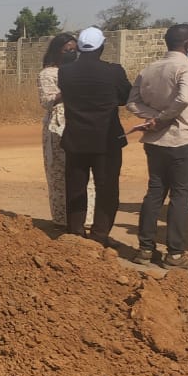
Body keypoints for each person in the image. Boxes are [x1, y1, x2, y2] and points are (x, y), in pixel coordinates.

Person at [127, 24, 188, 269]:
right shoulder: (187, 66)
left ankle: (145, 249)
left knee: (154, 193)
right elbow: (183, 98)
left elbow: (132, 102)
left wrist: (153, 118)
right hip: (183, 140)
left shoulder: (150, 68)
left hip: (155, 142)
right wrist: (163, 118)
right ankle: (174, 255)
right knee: (181, 197)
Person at [57, 26, 131, 246]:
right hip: (106, 141)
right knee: (107, 188)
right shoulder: (114, 71)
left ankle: (76, 234)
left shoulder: (65, 71)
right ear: (102, 46)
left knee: (76, 188)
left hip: (76, 140)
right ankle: (99, 236)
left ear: (79, 48)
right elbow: (125, 97)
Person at [38, 34, 94, 229]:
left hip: (81, 121)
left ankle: (86, 218)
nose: (71, 52)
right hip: (58, 124)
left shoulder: (80, 70)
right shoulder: (48, 74)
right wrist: (68, 90)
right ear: (56, 51)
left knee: (84, 172)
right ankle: (62, 218)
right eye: (66, 49)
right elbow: (46, 101)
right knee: (59, 171)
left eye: (74, 49)